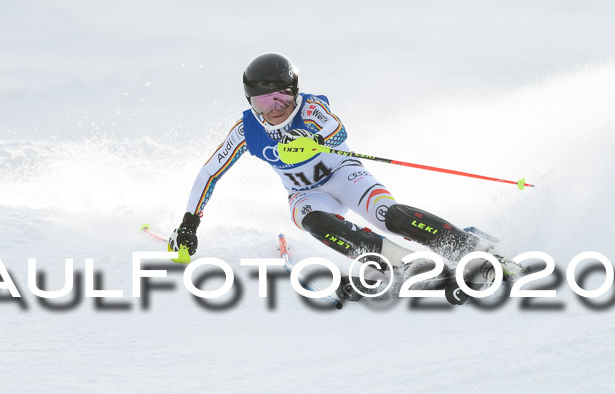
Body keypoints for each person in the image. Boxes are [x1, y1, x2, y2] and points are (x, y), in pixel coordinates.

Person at [169, 52, 511, 300]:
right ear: (251, 102)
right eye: (263, 102)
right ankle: (401, 265)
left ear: (294, 91)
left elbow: (336, 128)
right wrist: (189, 223)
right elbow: (209, 172)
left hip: (344, 177)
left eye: (281, 97)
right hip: (306, 195)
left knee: (389, 215)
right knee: (313, 221)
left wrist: (312, 140)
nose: (274, 109)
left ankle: (471, 247)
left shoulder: (310, 108)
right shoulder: (246, 130)